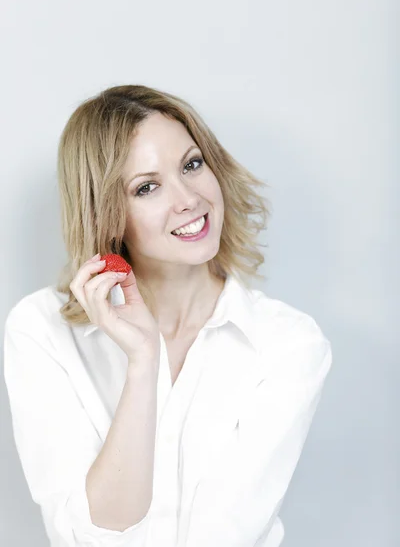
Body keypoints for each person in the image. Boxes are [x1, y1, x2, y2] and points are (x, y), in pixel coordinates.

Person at [3, 84, 332, 547]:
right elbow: (92, 536)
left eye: (192, 164)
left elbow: (223, 536)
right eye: (148, 187)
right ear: (107, 214)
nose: (189, 199)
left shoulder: (288, 344)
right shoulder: (39, 330)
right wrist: (143, 363)